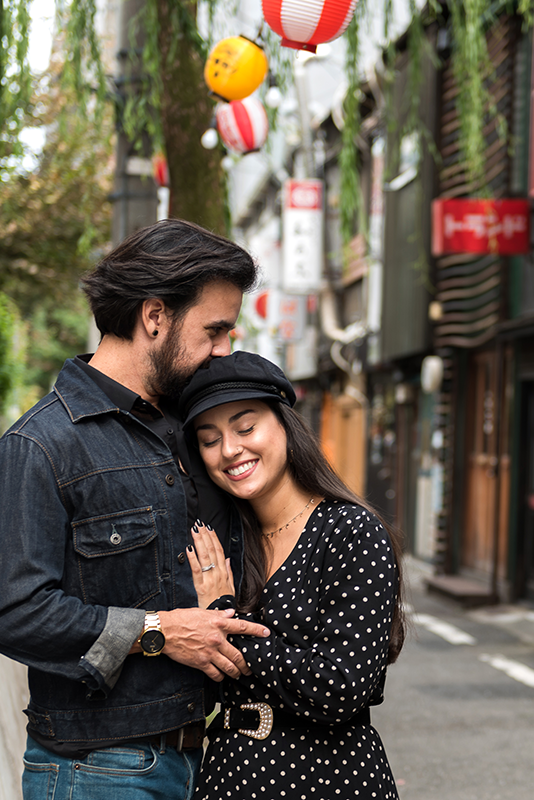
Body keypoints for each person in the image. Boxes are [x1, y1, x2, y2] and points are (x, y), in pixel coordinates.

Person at [0, 219, 271, 800]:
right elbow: (15, 611)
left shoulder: (194, 430)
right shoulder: (42, 445)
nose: (225, 349)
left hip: (209, 758)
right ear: (155, 317)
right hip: (95, 771)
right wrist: (156, 632)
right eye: (215, 330)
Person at [178, 350, 406, 800]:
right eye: (209, 439)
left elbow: (342, 685)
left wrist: (224, 621)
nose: (229, 449)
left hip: (327, 779)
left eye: (246, 427)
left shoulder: (350, 531)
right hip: (227, 777)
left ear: (285, 424)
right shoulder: (223, 540)